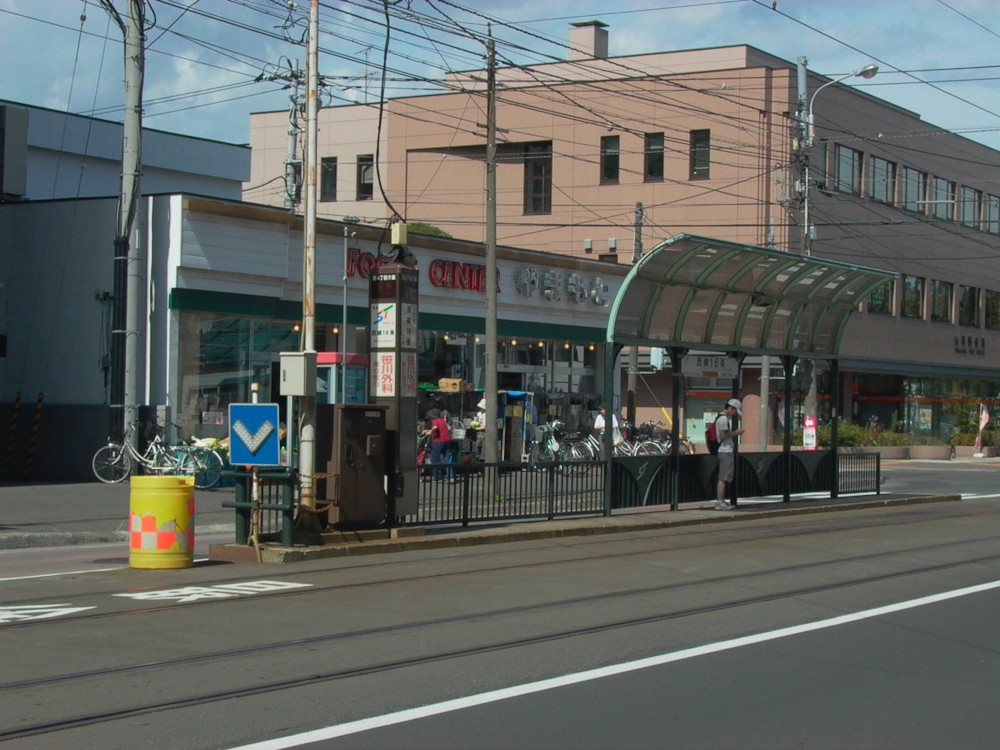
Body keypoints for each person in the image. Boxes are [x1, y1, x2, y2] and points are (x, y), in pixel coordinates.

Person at [715, 398, 745, 510]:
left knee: (724, 476)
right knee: (723, 477)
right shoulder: (723, 419)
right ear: (730, 408)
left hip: (724, 451)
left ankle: (720, 501)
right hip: (725, 451)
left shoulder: (721, 418)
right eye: (734, 411)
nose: (734, 414)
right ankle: (720, 502)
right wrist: (735, 433)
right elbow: (723, 436)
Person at [425, 409, 455, 482]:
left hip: (438, 441)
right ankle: (450, 477)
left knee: (436, 459)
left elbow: (435, 428)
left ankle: (437, 477)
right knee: (447, 458)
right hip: (447, 440)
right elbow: (443, 429)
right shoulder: (443, 421)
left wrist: (430, 432)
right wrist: (429, 431)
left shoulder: (435, 420)